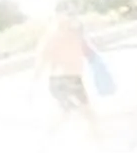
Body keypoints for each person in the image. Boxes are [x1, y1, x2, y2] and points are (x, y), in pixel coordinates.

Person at [38, 8, 101, 136]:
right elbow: (90, 54)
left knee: (65, 113)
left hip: (55, 81)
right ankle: (98, 140)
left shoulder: (49, 38)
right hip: (71, 79)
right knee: (87, 113)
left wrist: (32, 84)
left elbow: (41, 62)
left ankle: (45, 139)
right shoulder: (72, 35)